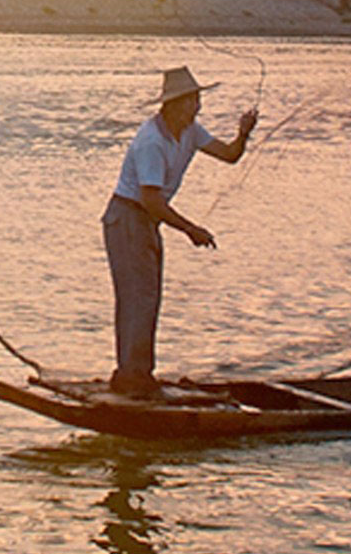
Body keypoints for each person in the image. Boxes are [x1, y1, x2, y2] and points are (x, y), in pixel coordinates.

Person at [103, 66, 257, 397]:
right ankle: (132, 377)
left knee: (146, 297)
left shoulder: (190, 131)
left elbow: (229, 155)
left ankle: (136, 374)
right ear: (174, 104)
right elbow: (152, 201)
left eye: (198, 99)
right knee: (137, 297)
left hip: (145, 221)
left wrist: (243, 133)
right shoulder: (152, 141)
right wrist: (190, 229)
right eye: (193, 101)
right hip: (128, 218)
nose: (198, 107)